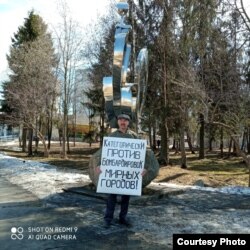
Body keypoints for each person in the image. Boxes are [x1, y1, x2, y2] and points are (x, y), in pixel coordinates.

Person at [96, 113, 147, 229]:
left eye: (125, 120)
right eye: (121, 120)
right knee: (111, 197)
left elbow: (143, 154)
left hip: (128, 175)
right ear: (118, 122)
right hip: (114, 175)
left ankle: (122, 218)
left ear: (128, 122)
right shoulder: (112, 136)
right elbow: (104, 153)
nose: (123, 122)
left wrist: (145, 167)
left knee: (126, 198)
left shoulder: (135, 137)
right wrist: (99, 165)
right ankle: (108, 219)